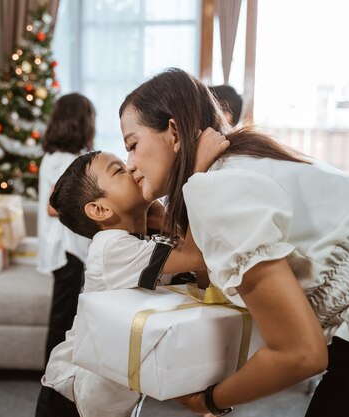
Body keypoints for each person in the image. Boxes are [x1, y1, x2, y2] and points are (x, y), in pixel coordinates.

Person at [118, 67, 349, 417]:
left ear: (174, 132)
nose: (129, 164)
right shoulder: (242, 161)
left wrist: (208, 400)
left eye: (132, 145)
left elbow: (300, 354)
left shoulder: (217, 189)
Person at [37, 130, 230, 417]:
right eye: (118, 171)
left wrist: (162, 217)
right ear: (100, 209)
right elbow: (196, 254)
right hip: (72, 397)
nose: (131, 167)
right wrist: (196, 173)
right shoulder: (110, 248)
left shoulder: (147, 242)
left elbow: (201, 275)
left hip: (115, 397)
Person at [37, 93, 96, 365]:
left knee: (66, 310)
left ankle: (60, 366)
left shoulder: (54, 156)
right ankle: (54, 370)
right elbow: (53, 205)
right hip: (67, 249)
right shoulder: (63, 160)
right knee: (63, 314)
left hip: (65, 247)